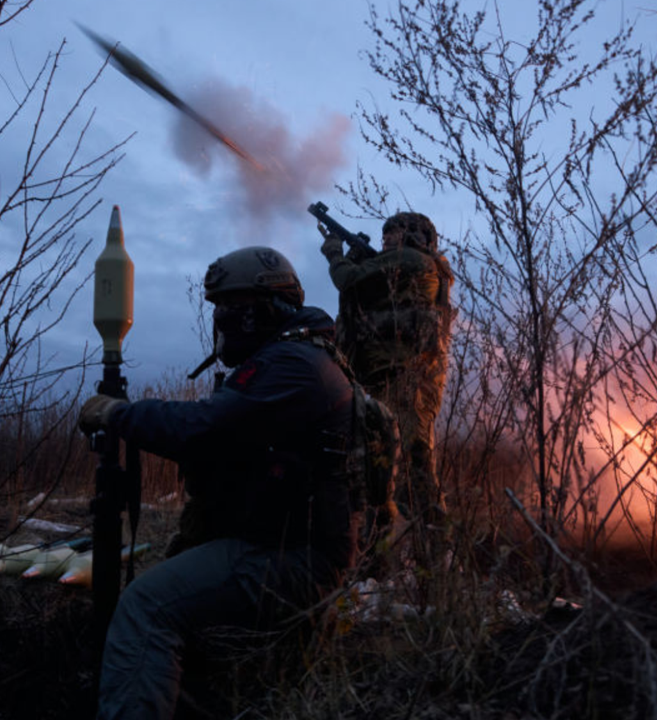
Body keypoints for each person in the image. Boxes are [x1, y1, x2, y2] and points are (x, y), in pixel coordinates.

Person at [78, 246, 356, 720]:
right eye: (219, 308)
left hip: (292, 558)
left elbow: (203, 428)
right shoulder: (286, 358)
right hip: (273, 541)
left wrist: (121, 414)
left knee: (146, 605)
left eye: (233, 307)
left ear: (268, 308)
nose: (223, 319)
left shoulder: (296, 366)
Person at [318, 211, 454, 531]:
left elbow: (348, 280)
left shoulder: (413, 260)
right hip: (397, 379)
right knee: (386, 465)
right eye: (385, 235)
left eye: (392, 234)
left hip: (404, 380)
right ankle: (392, 542)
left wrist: (336, 252)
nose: (386, 241)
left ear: (414, 236)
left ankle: (433, 546)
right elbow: (364, 290)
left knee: (411, 464)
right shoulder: (417, 267)